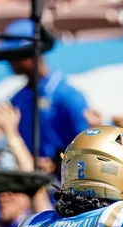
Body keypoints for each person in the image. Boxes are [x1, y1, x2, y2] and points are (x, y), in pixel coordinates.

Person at [5, 20, 90, 171]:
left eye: (15, 56)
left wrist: (56, 165)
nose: (9, 62)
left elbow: (85, 151)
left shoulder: (68, 96)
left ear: (32, 54)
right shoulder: (16, 100)